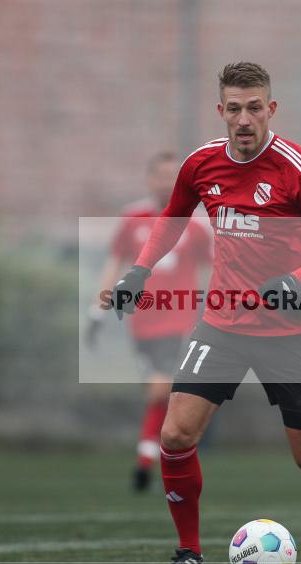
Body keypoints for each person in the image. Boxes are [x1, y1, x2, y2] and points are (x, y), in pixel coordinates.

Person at [111, 62, 301, 564]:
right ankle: (189, 555)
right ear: (220, 110)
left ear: (271, 110)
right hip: (222, 324)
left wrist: (299, 279)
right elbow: (174, 217)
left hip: (289, 333)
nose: (243, 119)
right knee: (176, 435)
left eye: (254, 108)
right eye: (234, 108)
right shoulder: (201, 164)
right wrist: (140, 269)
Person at [87, 151, 212, 492]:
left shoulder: (196, 225)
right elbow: (115, 263)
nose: (166, 182)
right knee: (162, 394)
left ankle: (146, 462)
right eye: (160, 175)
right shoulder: (134, 218)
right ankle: (157, 454)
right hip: (142, 322)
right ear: (149, 179)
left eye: (174, 176)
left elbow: (213, 267)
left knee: (162, 389)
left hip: (180, 321)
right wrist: (98, 309)